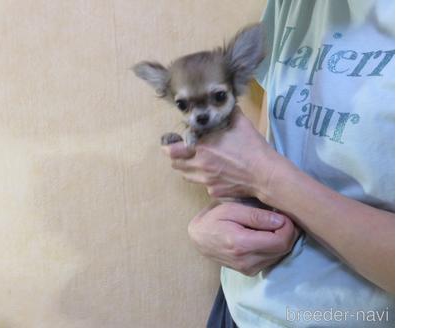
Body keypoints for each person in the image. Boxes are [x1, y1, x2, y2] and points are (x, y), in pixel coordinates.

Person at [161, 0, 395, 327]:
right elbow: (268, 142)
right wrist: (216, 223)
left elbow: (262, 170)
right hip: (242, 308)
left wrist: (265, 178)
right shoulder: (295, 5)